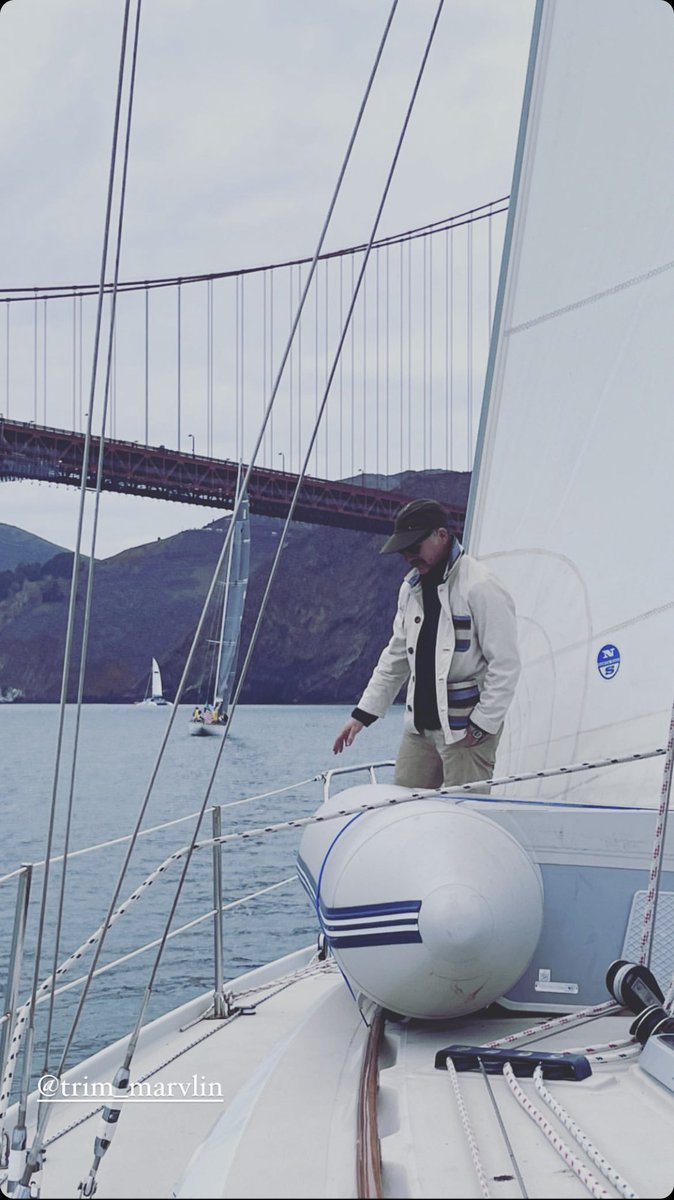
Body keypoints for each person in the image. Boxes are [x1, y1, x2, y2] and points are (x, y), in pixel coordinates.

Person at [332, 498, 520, 790]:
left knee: (465, 817)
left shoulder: (481, 586)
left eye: (414, 546)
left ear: (441, 536)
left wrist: (482, 726)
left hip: (466, 732)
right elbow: (395, 657)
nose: (408, 555)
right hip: (419, 731)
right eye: (403, 550)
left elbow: (506, 665)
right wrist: (361, 716)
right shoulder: (410, 589)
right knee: (405, 813)